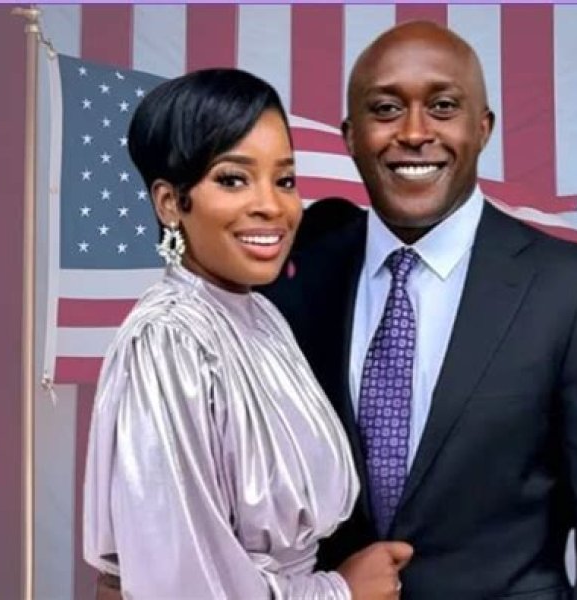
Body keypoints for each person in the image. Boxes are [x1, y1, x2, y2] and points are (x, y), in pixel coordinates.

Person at [261, 21, 577, 599]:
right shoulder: (298, 277)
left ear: (483, 127)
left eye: (443, 106)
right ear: (351, 135)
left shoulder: (571, 289)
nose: (413, 132)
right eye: (386, 109)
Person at [82, 68, 412, 599]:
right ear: (170, 202)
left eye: (285, 180)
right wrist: (339, 593)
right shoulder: (169, 340)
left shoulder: (263, 317)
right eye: (233, 179)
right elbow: (182, 585)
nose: (272, 206)